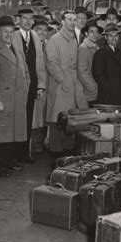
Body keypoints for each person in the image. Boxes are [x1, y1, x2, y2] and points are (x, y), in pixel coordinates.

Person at [0, 16, 30, 177]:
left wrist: (26, 88)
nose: (9, 35)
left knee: (12, 134)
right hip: (3, 99)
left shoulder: (17, 50)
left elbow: (26, 73)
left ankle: (8, 162)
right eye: (5, 32)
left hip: (17, 98)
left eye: (11, 32)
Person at [45, 10, 87, 159]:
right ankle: (56, 151)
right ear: (62, 22)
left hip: (73, 84)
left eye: (74, 20)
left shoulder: (74, 39)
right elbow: (51, 62)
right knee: (58, 118)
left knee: (70, 119)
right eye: (69, 19)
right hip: (60, 86)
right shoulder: (54, 39)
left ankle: (67, 150)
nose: (72, 22)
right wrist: (61, 79)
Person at [12, 4, 47, 164]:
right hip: (16, 86)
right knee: (15, 120)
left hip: (31, 86)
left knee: (27, 120)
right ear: (18, 20)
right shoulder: (12, 36)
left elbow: (39, 63)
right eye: (24, 18)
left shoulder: (34, 36)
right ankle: (13, 154)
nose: (27, 21)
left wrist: (40, 85)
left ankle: (23, 153)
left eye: (30, 18)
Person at [92, 23, 121, 106]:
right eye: (110, 36)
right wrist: (108, 87)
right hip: (107, 95)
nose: (114, 38)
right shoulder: (101, 52)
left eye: (116, 35)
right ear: (105, 37)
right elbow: (98, 74)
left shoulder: (120, 50)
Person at [30, 16, 50, 156]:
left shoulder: (49, 45)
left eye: (45, 30)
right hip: (34, 86)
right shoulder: (29, 46)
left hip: (48, 86)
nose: (42, 33)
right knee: (34, 117)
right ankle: (33, 145)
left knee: (44, 116)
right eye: (39, 30)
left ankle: (40, 144)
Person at [78, 18, 103, 107]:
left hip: (96, 90)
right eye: (92, 32)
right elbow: (82, 72)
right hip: (89, 92)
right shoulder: (84, 48)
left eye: (96, 32)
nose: (95, 34)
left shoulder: (96, 47)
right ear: (86, 33)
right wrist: (92, 87)